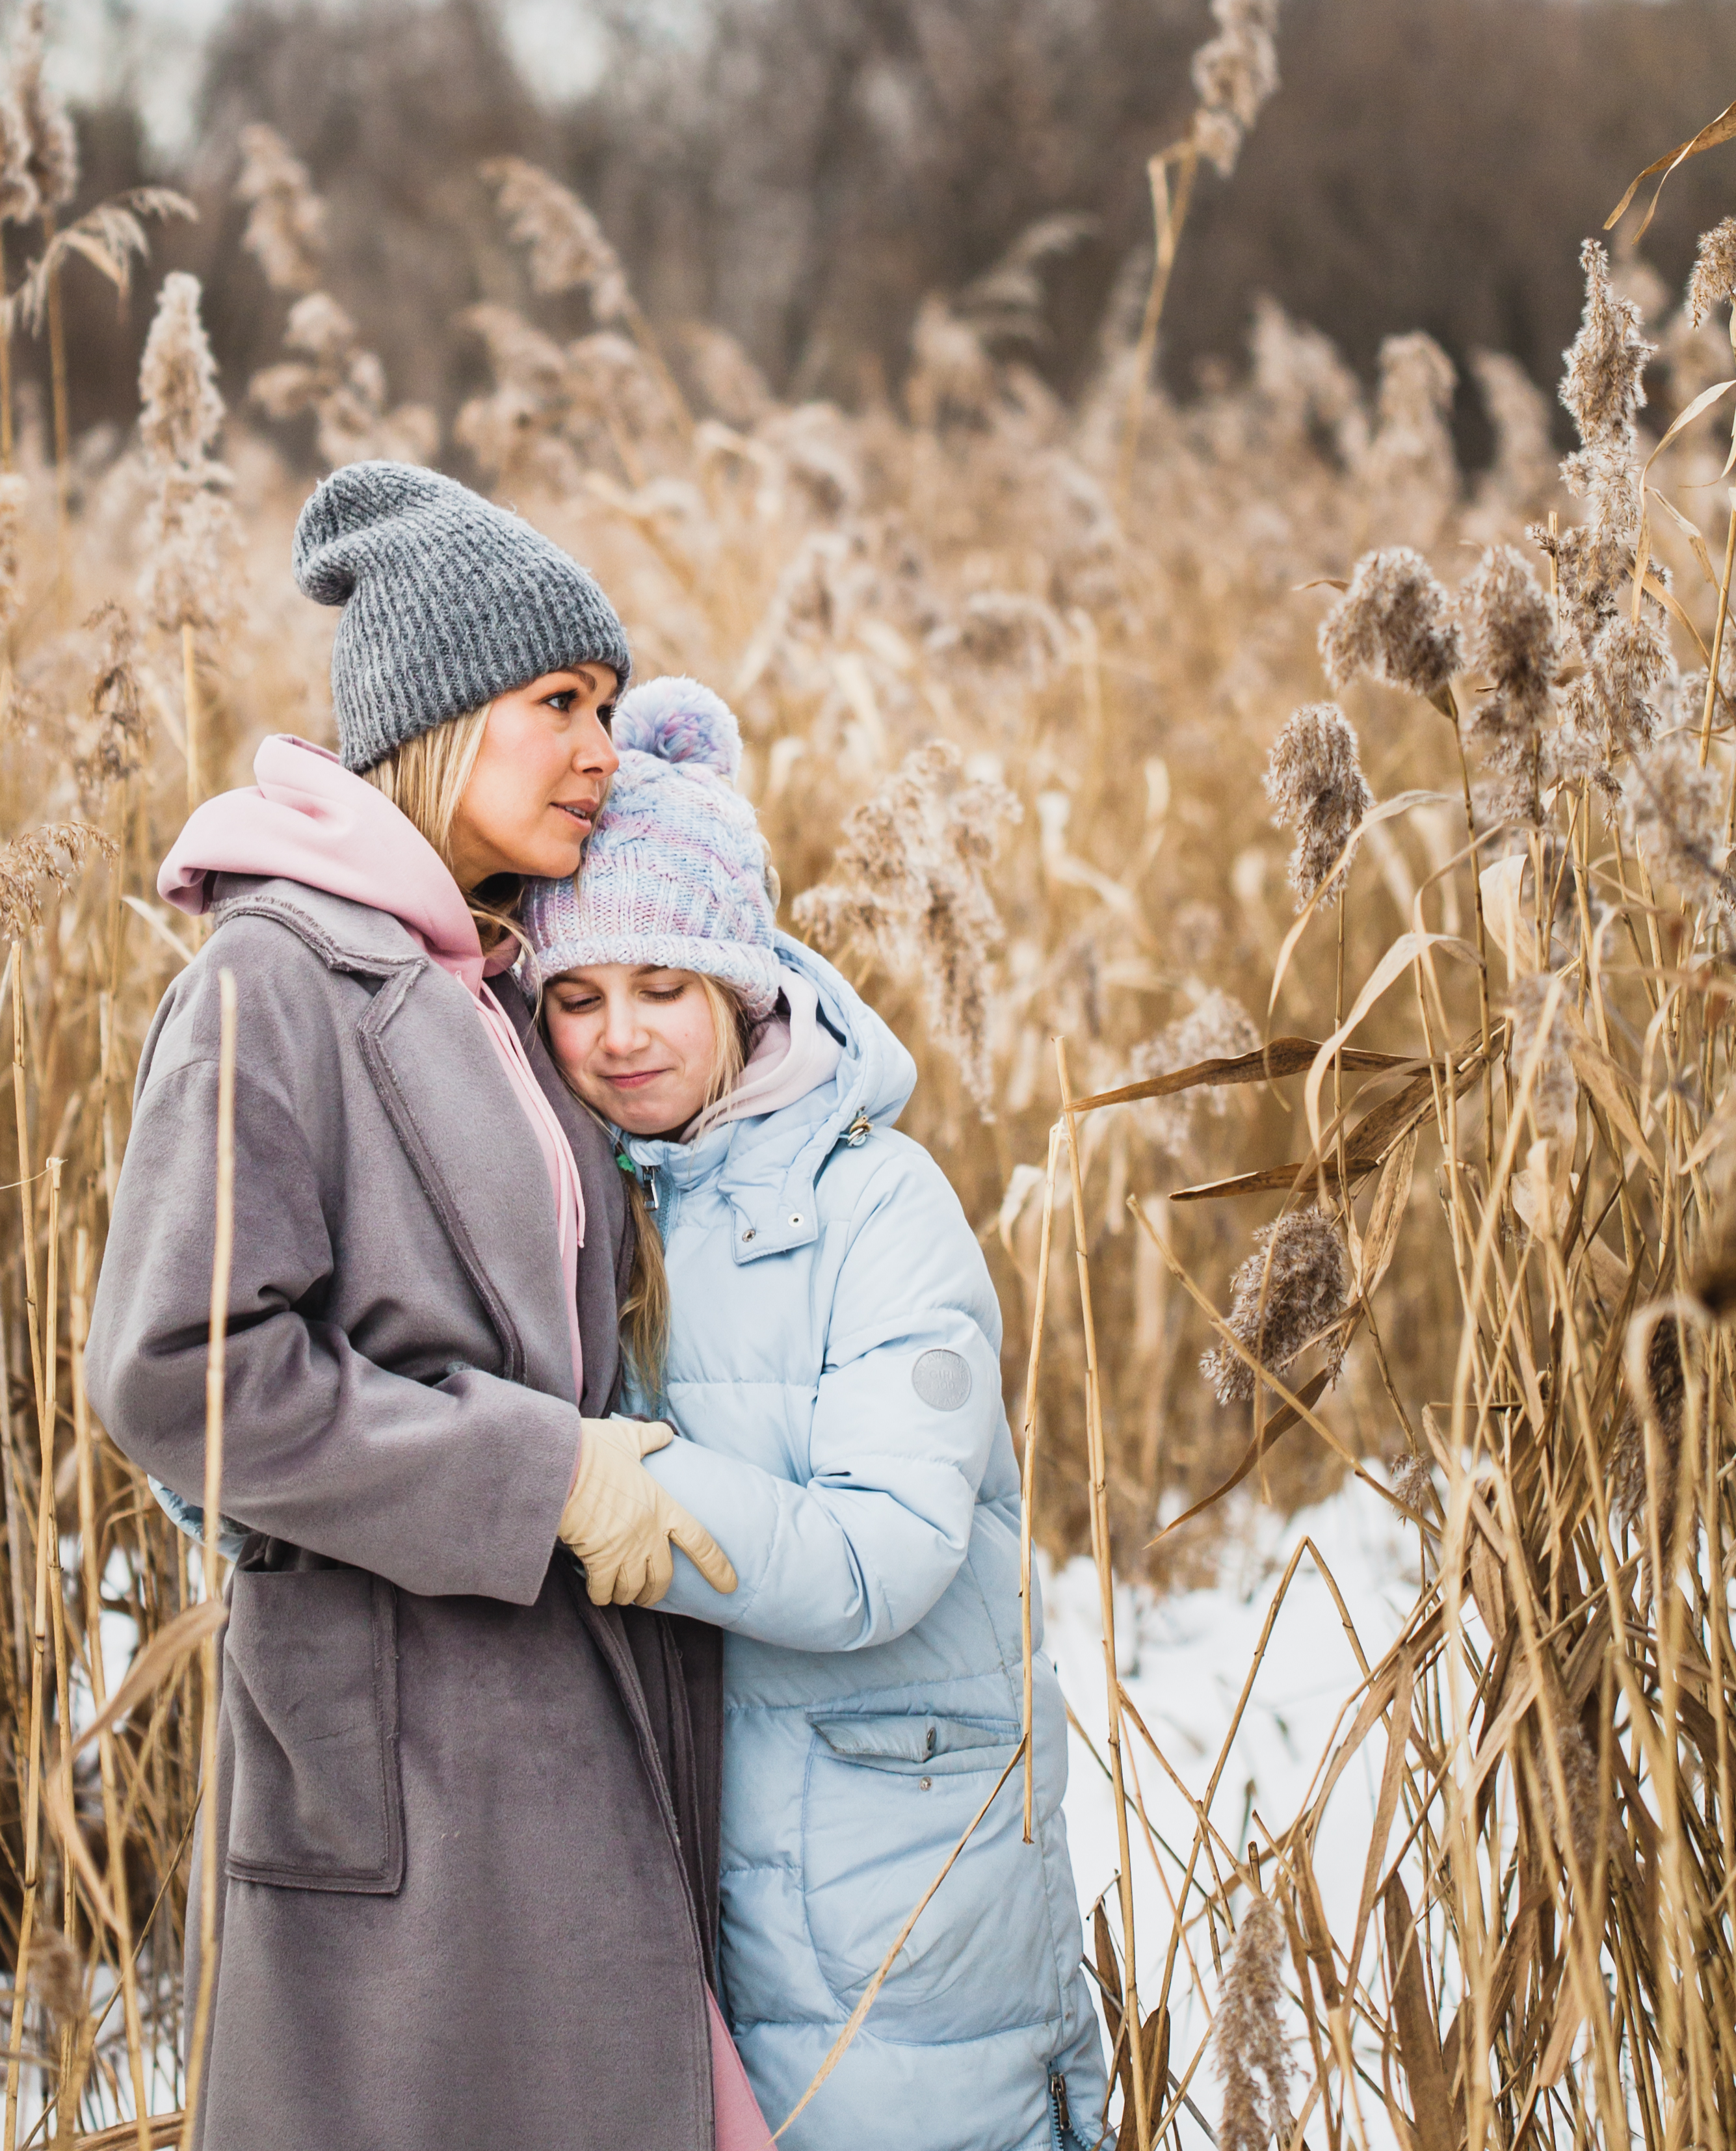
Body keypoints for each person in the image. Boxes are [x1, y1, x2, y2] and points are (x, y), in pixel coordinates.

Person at [84, 464, 768, 2151]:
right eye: (560, 703)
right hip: (407, 1758)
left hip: (574, 1722)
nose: (601, 746)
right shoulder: (275, 978)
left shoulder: (497, 976)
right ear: (443, 716)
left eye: (607, 706)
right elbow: (181, 1372)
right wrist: (542, 1473)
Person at [520, 675, 1109, 2151]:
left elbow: (887, 1551)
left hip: (889, 1870)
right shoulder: (579, 1204)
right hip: (689, 1861)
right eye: (577, 997)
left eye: (663, 987)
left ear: (738, 984)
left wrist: (642, 1496)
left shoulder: (879, 1208)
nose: (619, 1038)